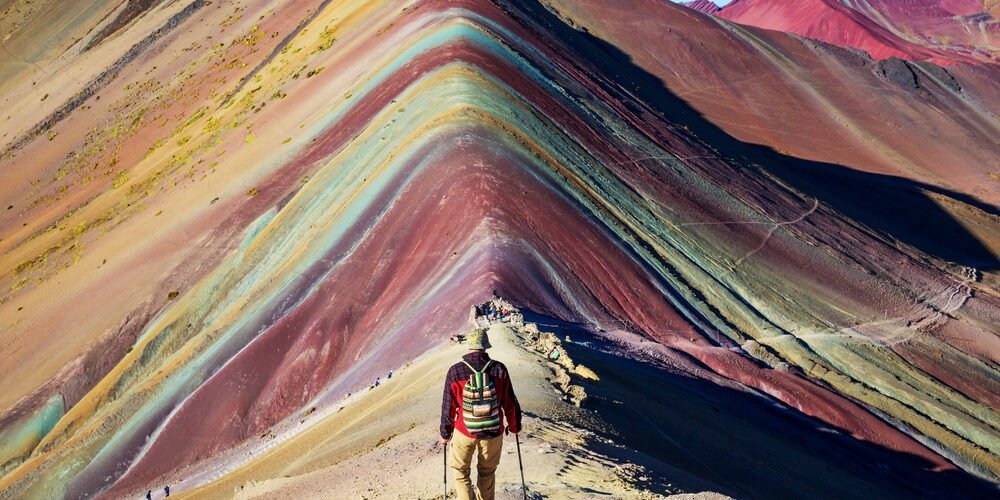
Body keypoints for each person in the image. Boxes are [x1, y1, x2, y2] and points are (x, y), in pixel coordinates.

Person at [439, 327, 522, 500]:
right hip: (493, 431)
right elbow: (510, 402)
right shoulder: (499, 369)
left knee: (461, 472)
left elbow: (448, 406)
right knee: (487, 473)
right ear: (486, 346)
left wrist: (445, 434)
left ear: (469, 345)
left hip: (464, 431)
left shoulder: (455, 371)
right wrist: (514, 426)